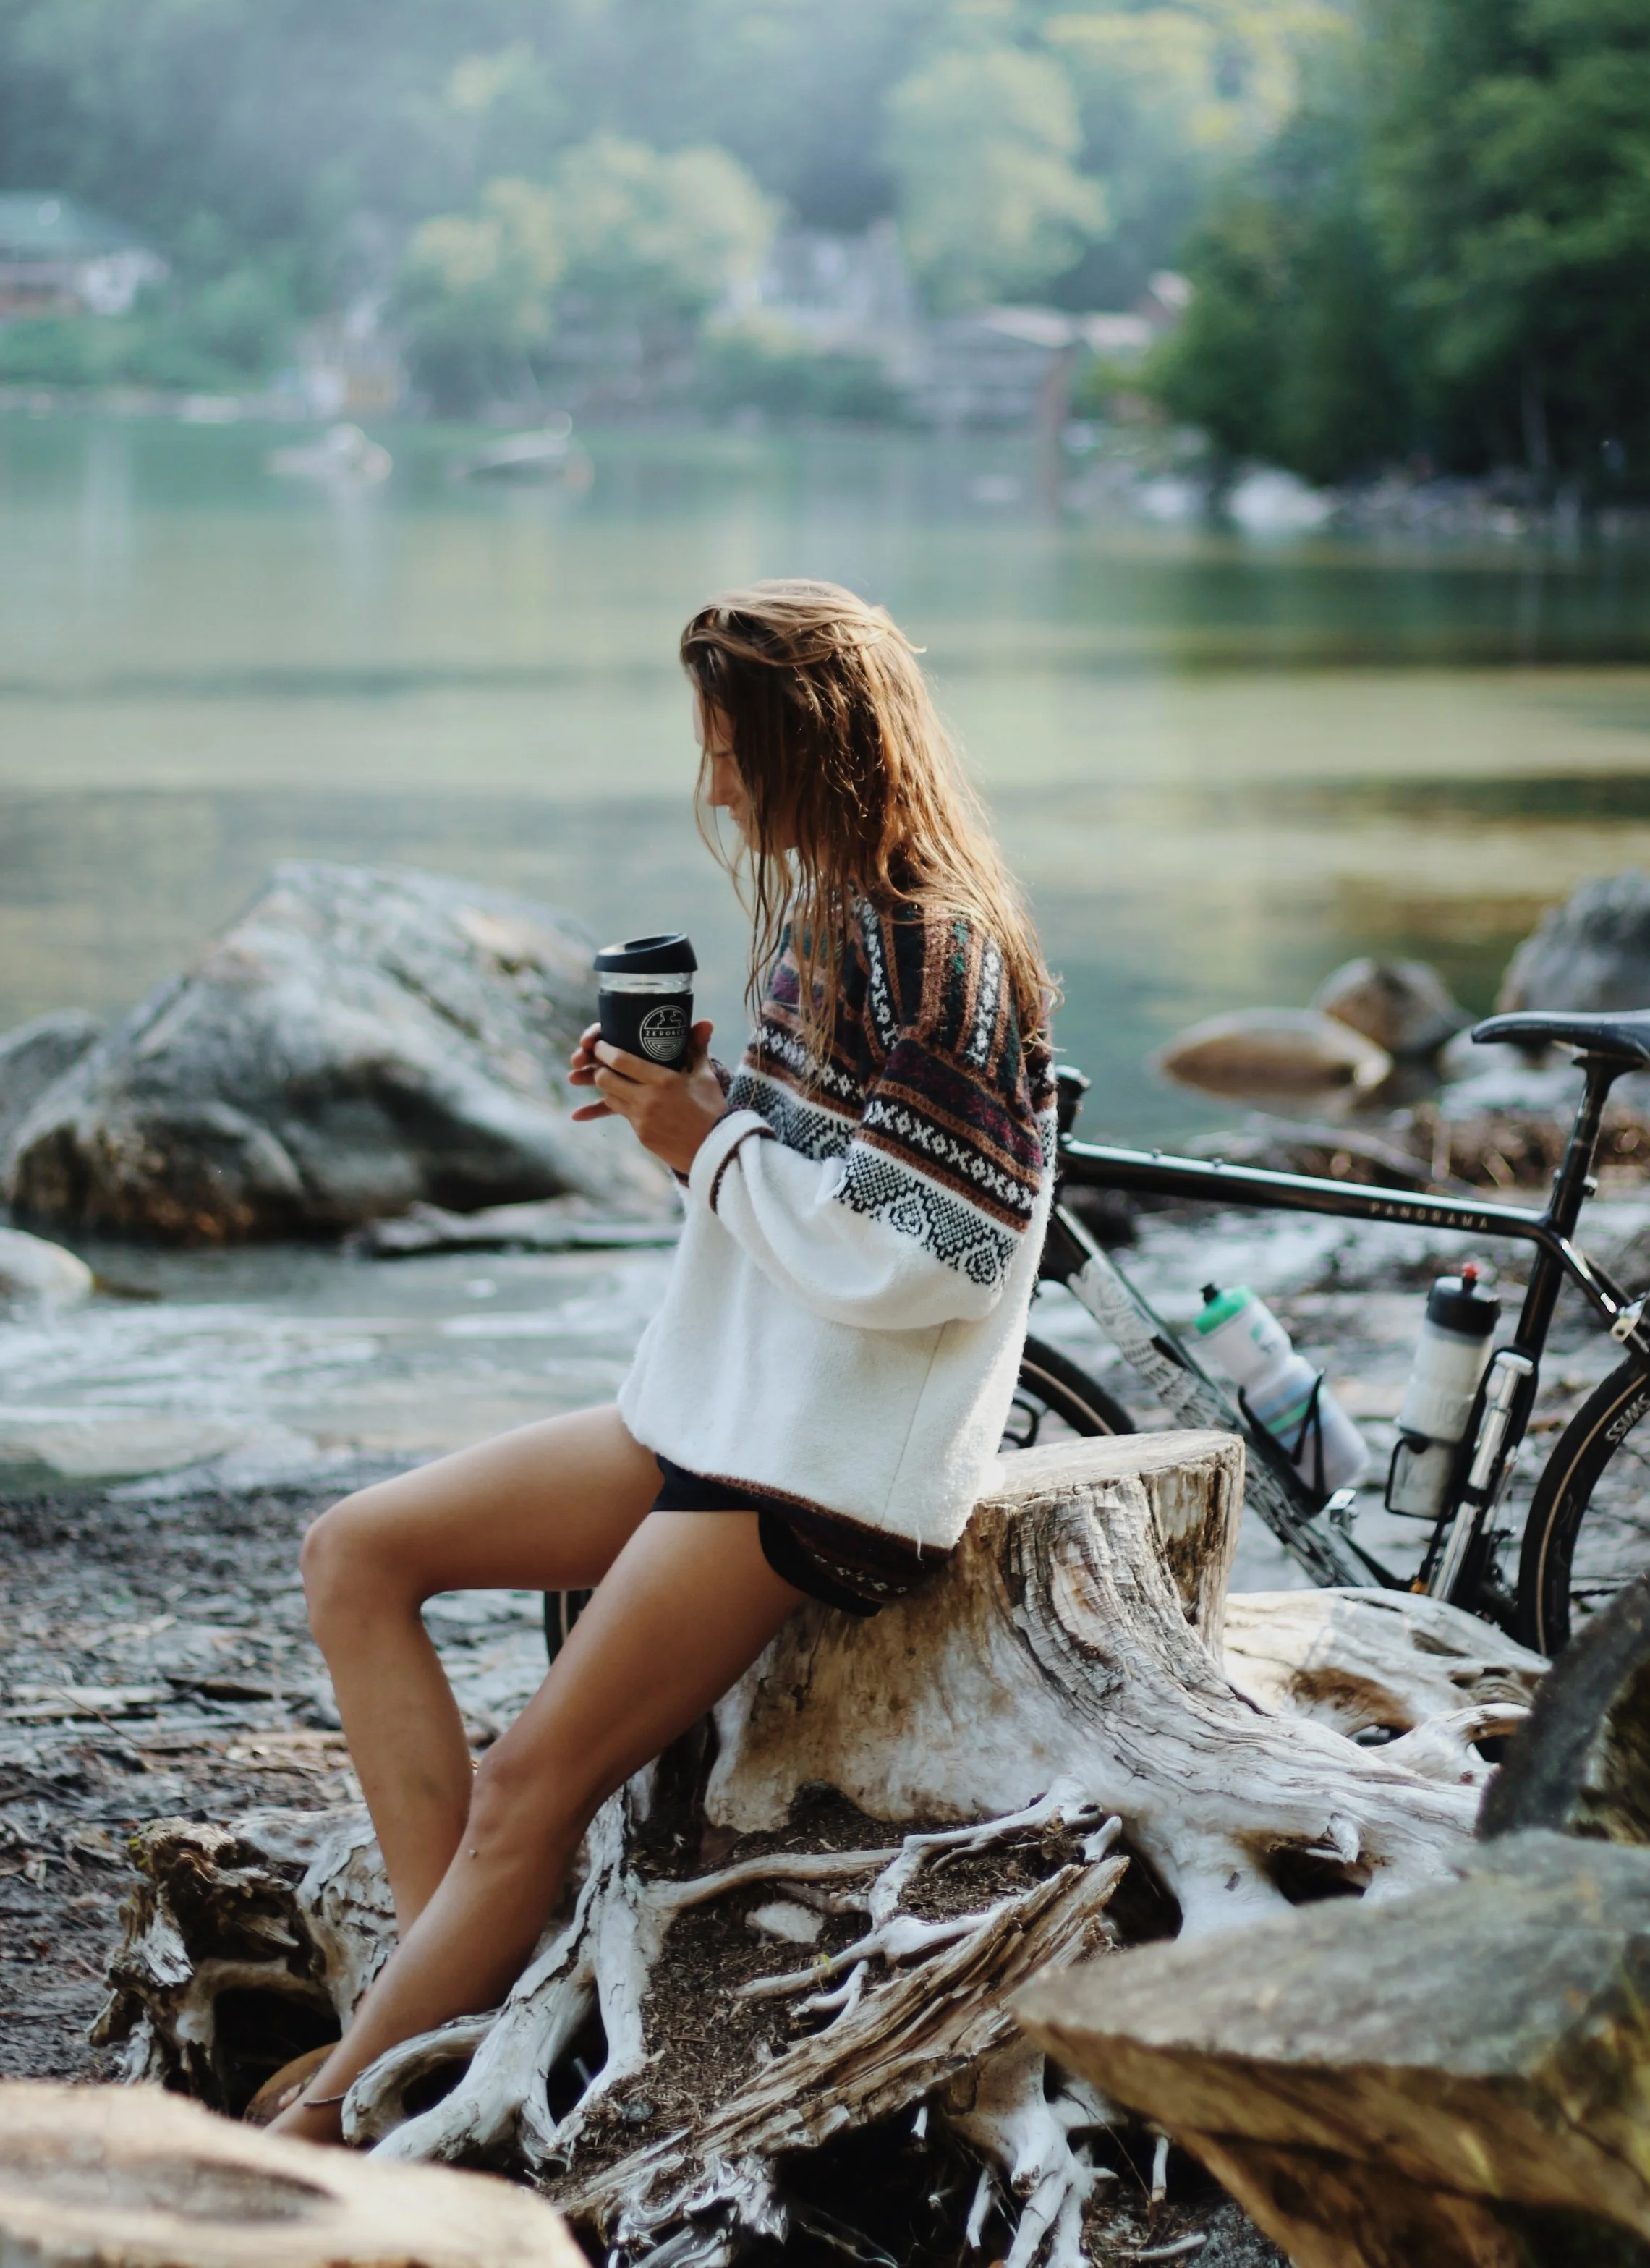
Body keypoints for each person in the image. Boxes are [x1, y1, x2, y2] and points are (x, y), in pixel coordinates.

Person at [262, 579, 1058, 2137]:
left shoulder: (935, 951)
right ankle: (454, 2013)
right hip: (718, 1406)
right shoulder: (829, 924)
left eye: (725, 747)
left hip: (809, 1465)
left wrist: (704, 1145)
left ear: (803, 748)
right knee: (355, 1553)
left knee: (526, 1791)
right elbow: (805, 1185)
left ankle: (339, 2122)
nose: (708, 786)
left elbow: (935, 1252)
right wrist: (685, 1107)